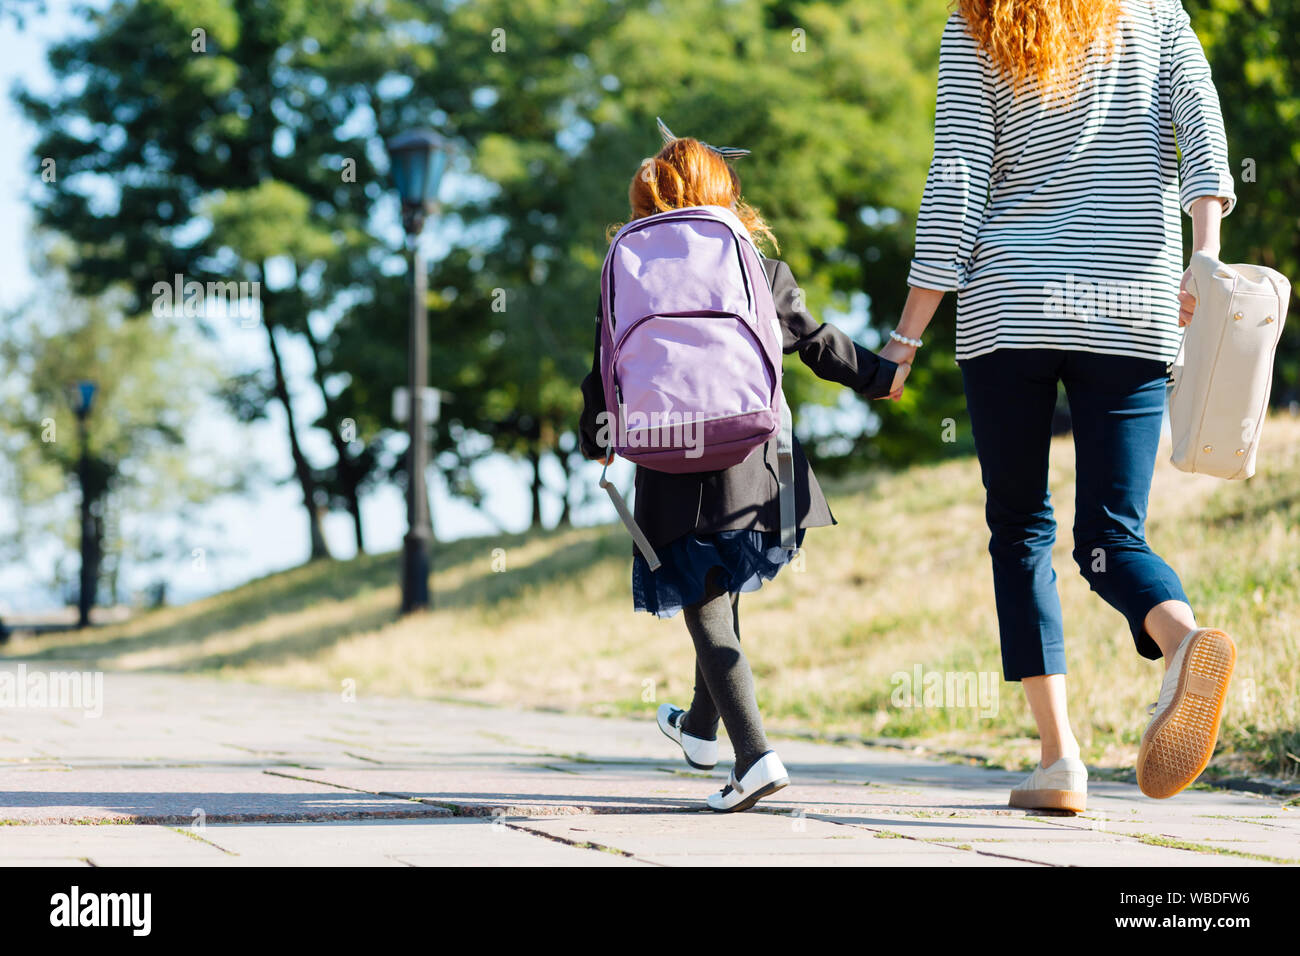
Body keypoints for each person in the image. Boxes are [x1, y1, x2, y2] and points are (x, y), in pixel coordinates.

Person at [881, 0, 1238, 812]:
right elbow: (1200, 113)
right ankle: (1181, 641)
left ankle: (1059, 759)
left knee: (1019, 527)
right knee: (1112, 534)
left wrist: (905, 338)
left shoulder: (981, 20)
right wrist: (1205, 254)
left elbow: (959, 177)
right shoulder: (1154, 9)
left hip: (1015, 302)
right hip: (1135, 296)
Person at [579, 126, 909, 812]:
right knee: (720, 587)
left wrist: (598, 438)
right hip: (753, 453)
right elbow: (813, 341)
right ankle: (704, 731)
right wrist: (880, 377)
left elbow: (605, 365)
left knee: (703, 602)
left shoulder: (629, 264)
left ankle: (754, 756)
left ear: (647, 200)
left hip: (670, 456)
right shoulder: (748, 259)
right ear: (723, 191)